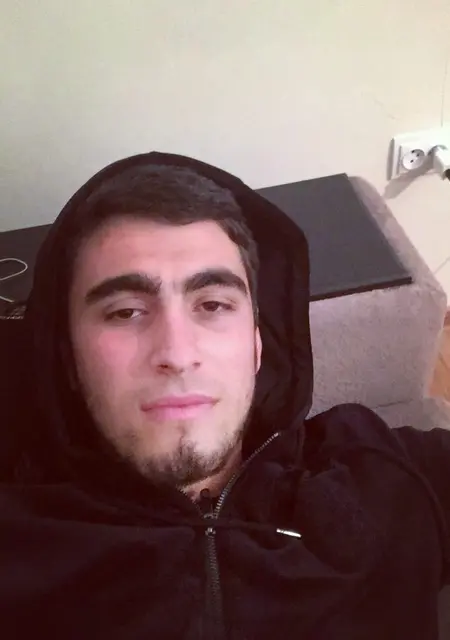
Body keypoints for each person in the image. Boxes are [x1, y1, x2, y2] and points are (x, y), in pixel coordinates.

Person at [1, 151, 450, 640]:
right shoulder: (21, 544)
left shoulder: (387, 476)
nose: (177, 354)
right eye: (125, 312)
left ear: (257, 345)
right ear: (68, 359)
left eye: (213, 304)